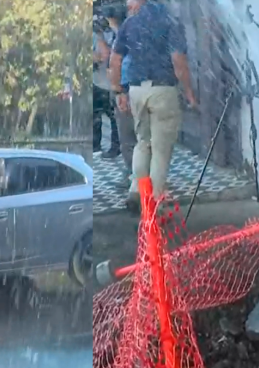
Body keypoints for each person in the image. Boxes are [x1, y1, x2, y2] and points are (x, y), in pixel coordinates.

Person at [109, 0, 197, 212]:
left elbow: (115, 60)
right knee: (160, 149)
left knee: (143, 143)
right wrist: (189, 93)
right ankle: (153, 204)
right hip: (162, 90)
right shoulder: (168, 22)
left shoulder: (130, 24)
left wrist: (119, 91)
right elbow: (179, 62)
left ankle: (137, 190)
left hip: (137, 91)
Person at [101, 4, 137, 188]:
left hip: (126, 91)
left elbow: (118, 63)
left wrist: (119, 91)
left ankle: (134, 176)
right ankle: (138, 174)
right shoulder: (133, 32)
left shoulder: (122, 36)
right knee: (138, 137)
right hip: (135, 89)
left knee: (128, 139)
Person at [93, 17, 120, 156]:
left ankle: (115, 148)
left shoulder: (114, 33)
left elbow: (105, 55)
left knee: (113, 116)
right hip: (99, 81)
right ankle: (96, 146)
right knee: (96, 115)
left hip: (108, 83)